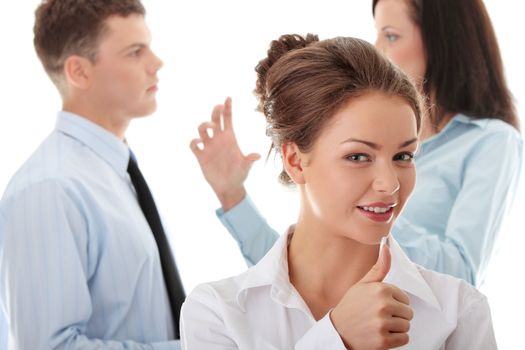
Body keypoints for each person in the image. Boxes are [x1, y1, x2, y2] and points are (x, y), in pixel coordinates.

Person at [183, 34, 496, 349]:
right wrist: (336, 338)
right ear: (296, 161)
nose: (390, 184)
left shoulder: (458, 313)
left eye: (403, 156)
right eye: (358, 157)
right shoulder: (218, 314)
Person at [191, 0, 522, 286]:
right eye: (359, 157)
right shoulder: (213, 309)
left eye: (391, 35)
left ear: (444, 42)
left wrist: (377, 209)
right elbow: (292, 278)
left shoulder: (490, 143)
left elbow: (460, 275)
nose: (378, 48)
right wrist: (233, 197)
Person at [0, 0, 184, 348]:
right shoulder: (49, 189)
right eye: (135, 52)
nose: (156, 63)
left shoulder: (117, 173)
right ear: (79, 72)